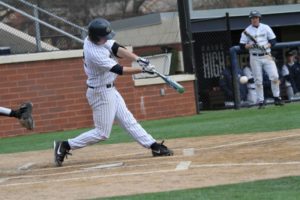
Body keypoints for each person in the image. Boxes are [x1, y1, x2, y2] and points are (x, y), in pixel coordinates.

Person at [53, 18, 173, 167]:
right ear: (96, 37)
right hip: (100, 93)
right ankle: (65, 145)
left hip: (109, 90)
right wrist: (143, 70)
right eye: (104, 36)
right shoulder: (94, 53)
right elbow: (119, 70)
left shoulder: (95, 39)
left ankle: (153, 146)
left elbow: (116, 47)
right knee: (102, 133)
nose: (107, 39)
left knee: (128, 120)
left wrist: (138, 59)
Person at [239, 10, 284, 109]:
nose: (254, 19)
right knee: (258, 80)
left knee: (275, 76)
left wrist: (266, 45)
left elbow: (273, 40)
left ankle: (277, 97)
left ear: (259, 18)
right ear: (250, 19)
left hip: (267, 55)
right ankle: (261, 101)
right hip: (255, 57)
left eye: (256, 17)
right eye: (252, 18)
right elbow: (241, 46)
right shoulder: (247, 31)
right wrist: (250, 45)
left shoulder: (265, 27)